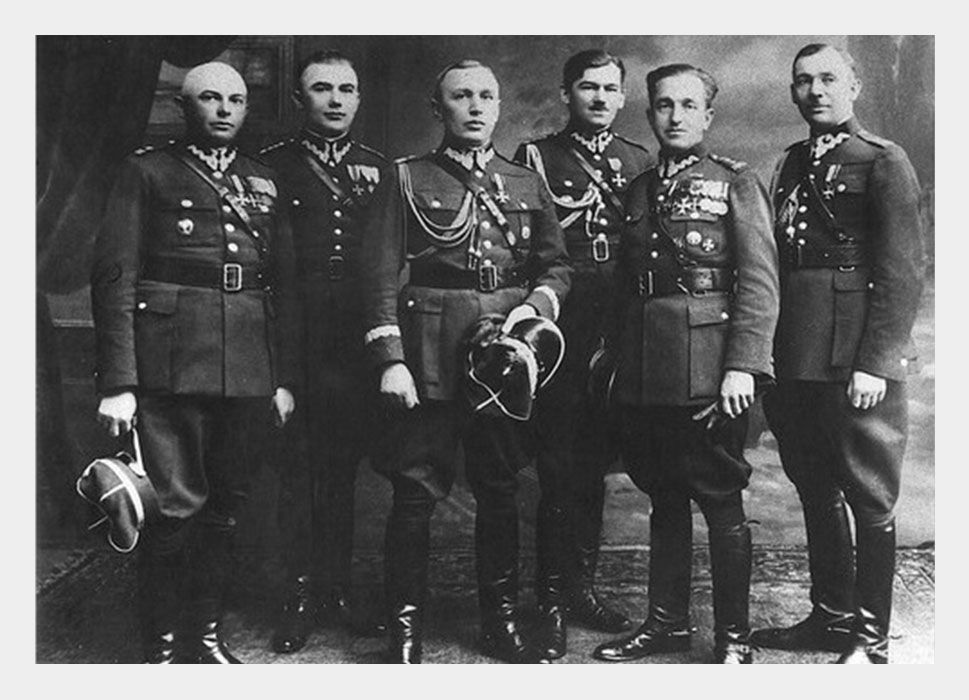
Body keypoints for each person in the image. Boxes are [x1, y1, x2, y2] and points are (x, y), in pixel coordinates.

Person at [361, 59, 571, 663]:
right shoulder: (406, 177)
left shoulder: (525, 182)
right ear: (439, 108)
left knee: (499, 489)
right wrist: (390, 359)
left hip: (503, 356)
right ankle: (405, 629)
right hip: (428, 352)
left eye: (486, 96)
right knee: (415, 492)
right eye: (461, 96)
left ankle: (499, 621)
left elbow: (557, 265)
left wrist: (534, 306)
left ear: (499, 106)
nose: (475, 107)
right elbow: (377, 276)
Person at [91, 62, 299, 663]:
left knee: (227, 506)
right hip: (170, 360)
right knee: (171, 506)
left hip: (249, 364)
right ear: (185, 108)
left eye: (236, 99)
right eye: (210, 98)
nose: (225, 109)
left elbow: (284, 286)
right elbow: (114, 276)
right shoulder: (147, 171)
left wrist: (282, 378)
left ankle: (204, 639)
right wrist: (119, 382)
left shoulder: (264, 179)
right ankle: (160, 647)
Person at [591, 63, 778, 664]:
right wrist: (615, 363)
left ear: (708, 116)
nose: (675, 116)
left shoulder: (736, 183)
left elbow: (759, 282)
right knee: (664, 495)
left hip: (709, 370)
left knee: (720, 499)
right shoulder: (639, 189)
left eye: (688, 105)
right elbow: (626, 285)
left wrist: (744, 365)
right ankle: (665, 625)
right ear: (649, 114)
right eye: (664, 105)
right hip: (647, 370)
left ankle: (733, 638)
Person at [750, 44, 925, 664]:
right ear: (793, 92)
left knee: (869, 495)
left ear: (854, 85)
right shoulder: (792, 162)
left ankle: (869, 638)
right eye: (804, 81)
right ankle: (830, 616)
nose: (816, 91)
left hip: (854, 357)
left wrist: (876, 361)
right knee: (814, 485)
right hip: (796, 351)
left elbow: (903, 271)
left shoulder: (883, 160)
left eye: (828, 78)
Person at [513, 48, 651, 658]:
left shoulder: (640, 160)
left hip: (619, 326)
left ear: (622, 97)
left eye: (609, 88)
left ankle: (580, 589)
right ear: (566, 94)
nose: (599, 97)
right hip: (562, 326)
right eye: (587, 87)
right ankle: (548, 598)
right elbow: (532, 251)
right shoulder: (538, 158)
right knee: (558, 463)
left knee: (594, 461)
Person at [260, 49, 388, 653]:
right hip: (296, 334)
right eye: (321, 88)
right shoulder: (270, 167)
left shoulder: (381, 169)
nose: (335, 100)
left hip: (356, 338)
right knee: (296, 469)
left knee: (342, 469)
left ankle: (337, 589)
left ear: (358, 98)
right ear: (298, 99)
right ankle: (297, 595)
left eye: (346, 89)